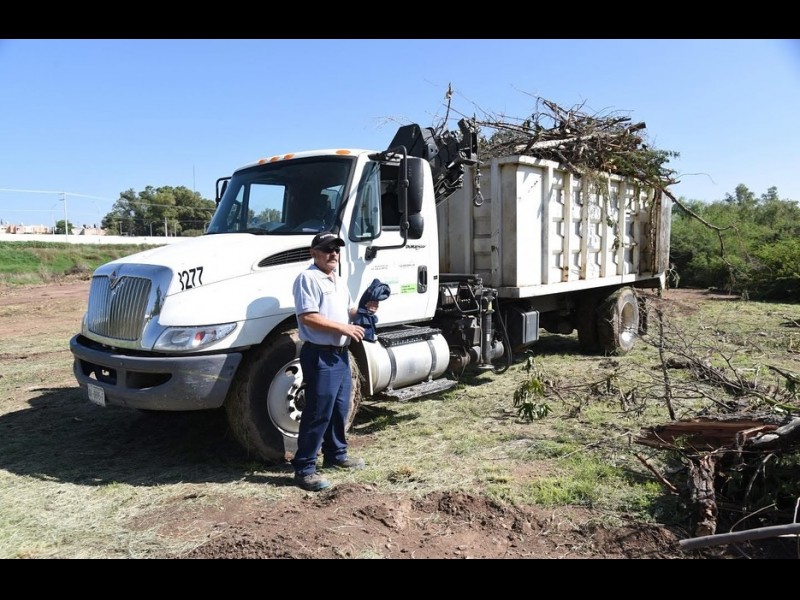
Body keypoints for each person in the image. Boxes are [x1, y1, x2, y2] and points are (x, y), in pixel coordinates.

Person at [290, 231, 379, 491]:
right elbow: (308, 317)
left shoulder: (337, 280)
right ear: (314, 253)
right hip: (320, 354)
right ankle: (305, 469)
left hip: (340, 354)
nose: (333, 254)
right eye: (328, 249)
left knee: (339, 408)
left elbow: (348, 310)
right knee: (318, 412)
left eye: (337, 249)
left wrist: (365, 310)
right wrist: (344, 328)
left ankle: (336, 455)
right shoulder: (308, 278)